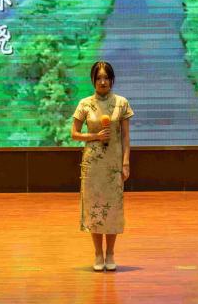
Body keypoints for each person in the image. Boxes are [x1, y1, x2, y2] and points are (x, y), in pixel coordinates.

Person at [70, 61, 133, 272]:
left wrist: (126, 162)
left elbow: (125, 137)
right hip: (93, 165)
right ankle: (98, 253)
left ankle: (111, 253)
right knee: (95, 208)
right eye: (99, 78)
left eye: (106, 78)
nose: (103, 82)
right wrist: (95, 136)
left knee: (113, 208)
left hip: (113, 164)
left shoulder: (121, 103)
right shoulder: (85, 104)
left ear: (112, 80)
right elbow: (74, 133)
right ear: (93, 80)